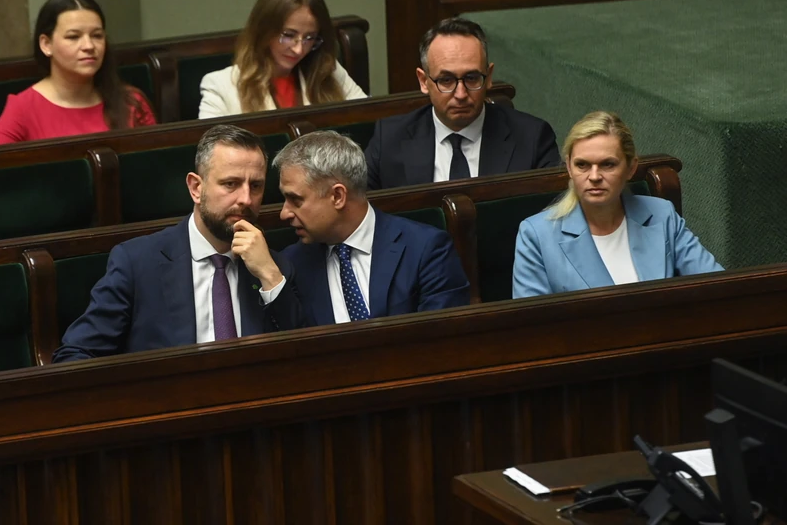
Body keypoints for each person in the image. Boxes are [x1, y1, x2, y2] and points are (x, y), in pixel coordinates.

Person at [54, 125, 302, 362]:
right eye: (231, 184)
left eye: (256, 186)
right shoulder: (138, 263)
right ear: (196, 188)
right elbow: (76, 354)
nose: (246, 199)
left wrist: (269, 275)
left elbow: (301, 357)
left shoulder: (274, 267)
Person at [512, 111, 723, 298]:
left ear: (631, 168)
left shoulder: (661, 214)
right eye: (582, 165)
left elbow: (718, 288)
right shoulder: (536, 235)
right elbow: (532, 323)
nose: (594, 176)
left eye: (608, 164)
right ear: (568, 167)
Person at [275, 130, 470, 326]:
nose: (284, 213)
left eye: (295, 200)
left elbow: (442, 335)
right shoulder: (292, 264)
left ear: (338, 197)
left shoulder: (425, 250)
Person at [365, 18, 560, 190]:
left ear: (489, 77)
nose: (460, 94)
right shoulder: (389, 140)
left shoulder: (532, 138)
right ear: (423, 81)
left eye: (472, 78)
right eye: (446, 80)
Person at [0, 0, 156, 146]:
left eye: (97, 36)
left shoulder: (130, 102)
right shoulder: (22, 109)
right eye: (73, 37)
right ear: (46, 44)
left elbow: (155, 162)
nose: (89, 46)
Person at [198, 0, 366, 118]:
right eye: (289, 35)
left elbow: (369, 122)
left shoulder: (329, 72)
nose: (299, 49)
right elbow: (210, 152)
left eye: (309, 38)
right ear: (264, 31)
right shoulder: (220, 86)